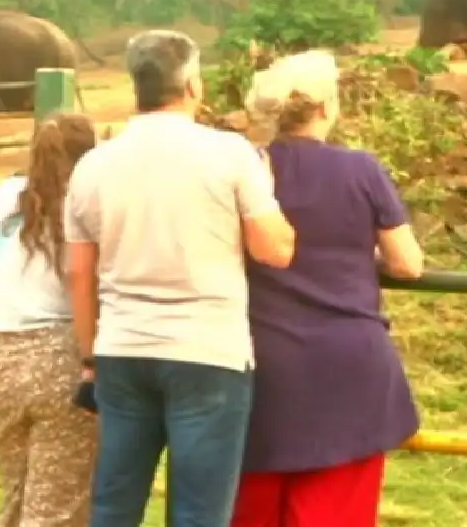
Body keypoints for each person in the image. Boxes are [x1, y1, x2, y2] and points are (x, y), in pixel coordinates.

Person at [63, 29, 297, 527]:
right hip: (207, 351)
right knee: (199, 512)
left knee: (113, 506)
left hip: (122, 351)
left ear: (136, 85)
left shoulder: (93, 165)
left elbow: (78, 273)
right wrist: (269, 195)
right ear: (192, 84)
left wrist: (90, 358)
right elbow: (274, 250)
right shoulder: (232, 154)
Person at [231, 50, 424, 527]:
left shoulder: (244, 169)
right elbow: (407, 263)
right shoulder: (361, 169)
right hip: (348, 367)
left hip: (260, 366)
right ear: (325, 107)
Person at [0, 112, 100, 527]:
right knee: (56, 509)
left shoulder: (4, 193)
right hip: (58, 355)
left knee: (16, 499)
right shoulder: (84, 204)